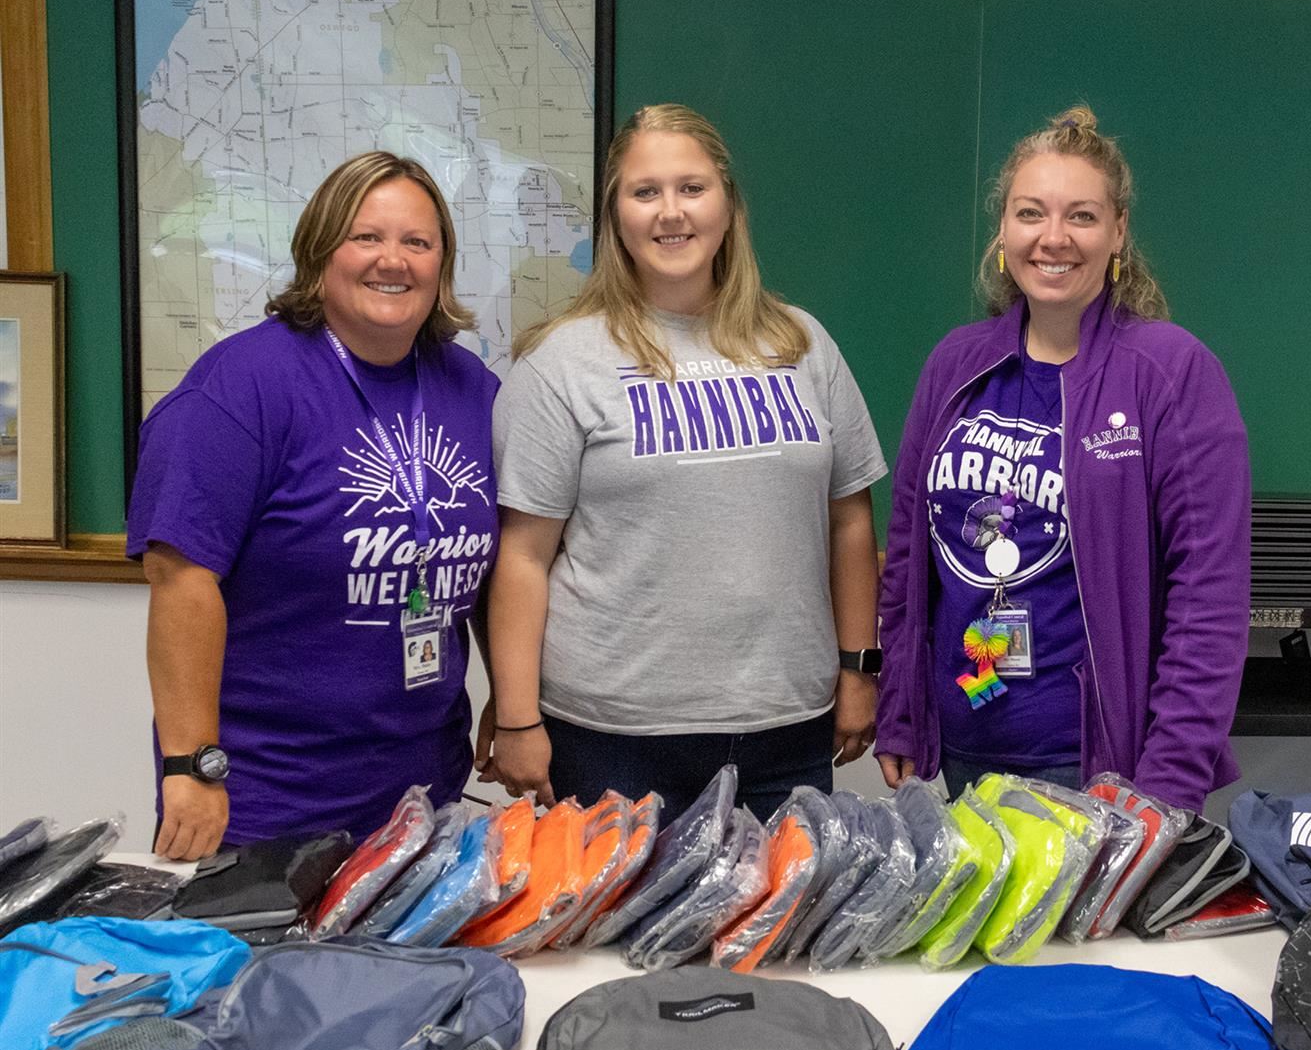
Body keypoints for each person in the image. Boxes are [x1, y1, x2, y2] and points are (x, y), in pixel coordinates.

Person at [478, 104, 886, 822]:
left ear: (728, 205)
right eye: (646, 192)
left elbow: (850, 519)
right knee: (617, 939)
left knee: (776, 934)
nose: (671, 213)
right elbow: (523, 557)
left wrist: (859, 668)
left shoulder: (803, 344)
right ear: (616, 217)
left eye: (692, 188)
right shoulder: (560, 363)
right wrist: (516, 718)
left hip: (786, 727)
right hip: (612, 739)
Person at [875, 107, 1250, 813]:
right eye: (1030, 213)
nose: (1053, 238)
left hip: (1103, 770)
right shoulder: (955, 363)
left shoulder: (1170, 373)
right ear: (1003, 232)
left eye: (1080, 215)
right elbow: (906, 556)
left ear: (1118, 233)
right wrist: (900, 705)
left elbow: (1209, 600)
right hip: (964, 746)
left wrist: (1168, 785)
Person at [128, 152, 500, 858]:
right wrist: (190, 766)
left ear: (441, 265)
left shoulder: (470, 387)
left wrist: (513, 708)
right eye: (367, 237)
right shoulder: (239, 389)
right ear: (320, 250)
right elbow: (179, 577)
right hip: (266, 804)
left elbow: (499, 554)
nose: (393, 260)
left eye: (417, 243)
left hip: (426, 796)